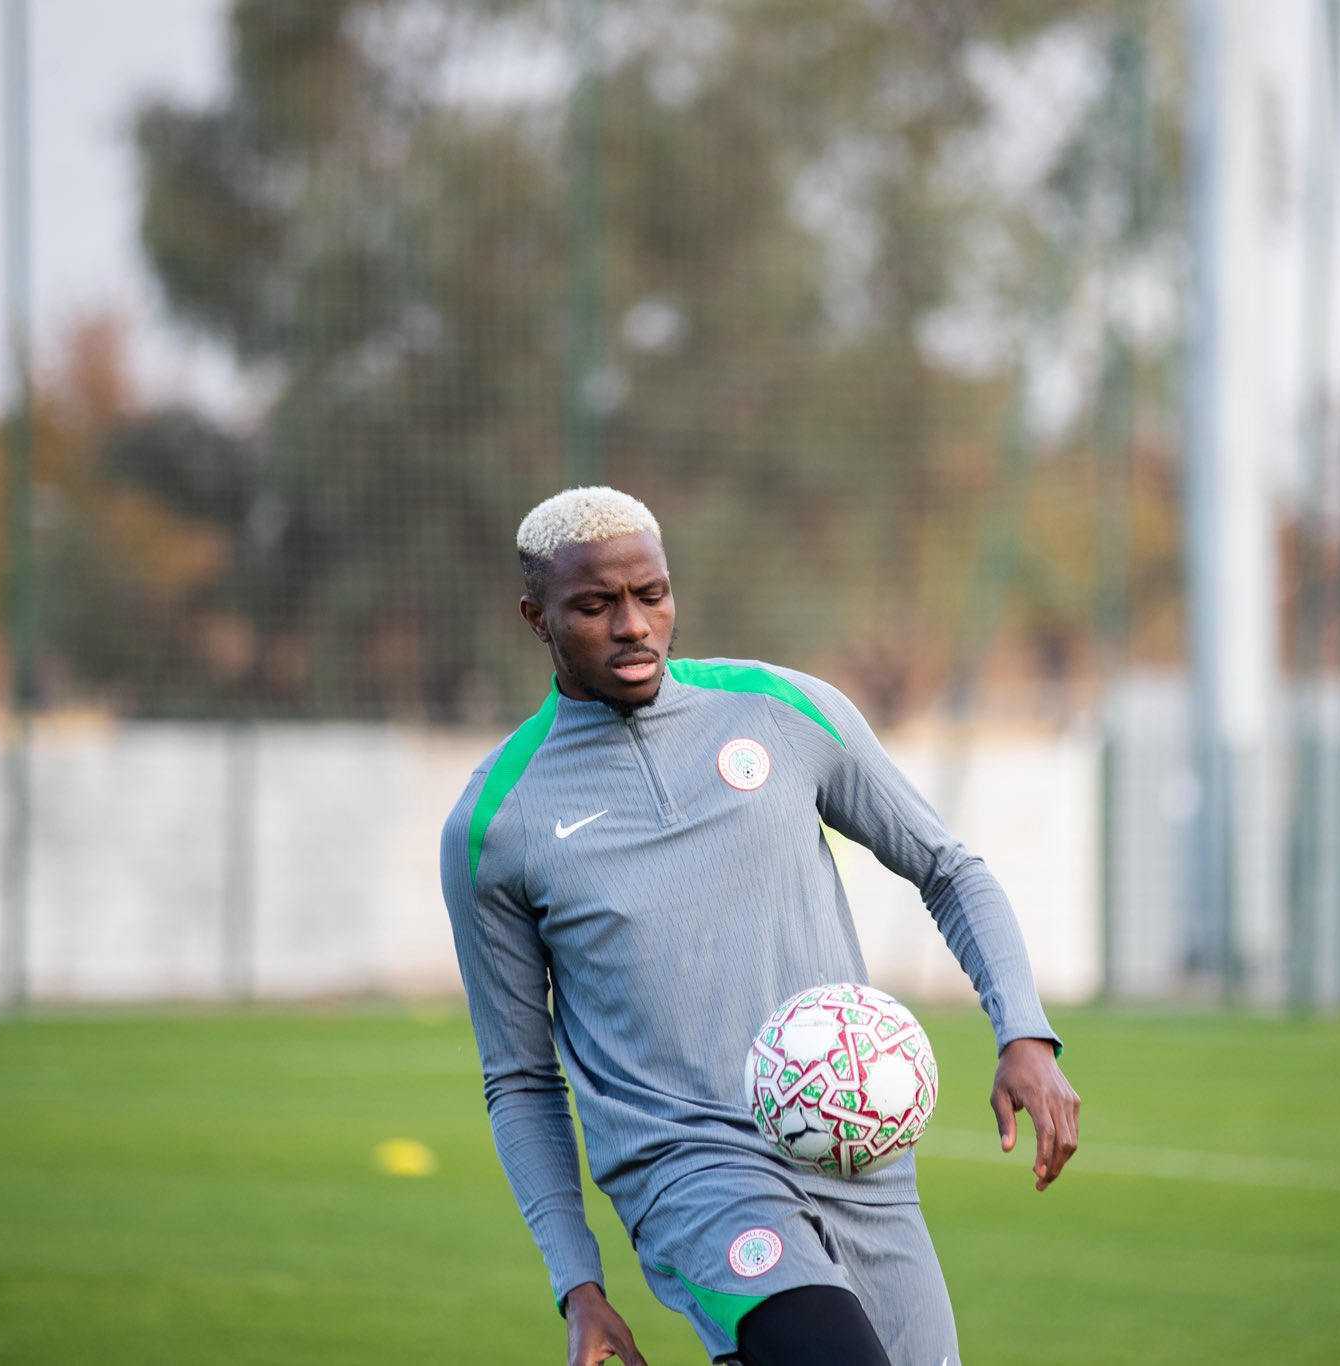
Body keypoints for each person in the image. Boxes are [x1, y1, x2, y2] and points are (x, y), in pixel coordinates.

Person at [441, 487, 1080, 1366]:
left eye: (652, 595)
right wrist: (577, 1285)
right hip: (690, 1174)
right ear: (536, 618)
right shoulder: (496, 824)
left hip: (858, 1149)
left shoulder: (781, 711)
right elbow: (517, 1076)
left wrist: (1025, 1032)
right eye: (594, 606)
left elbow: (948, 866)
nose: (633, 625)